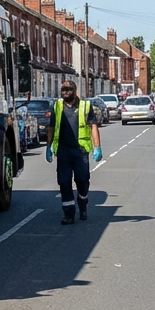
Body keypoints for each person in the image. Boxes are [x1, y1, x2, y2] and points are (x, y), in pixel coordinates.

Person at [45, 81, 103, 224]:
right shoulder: (57, 106)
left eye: (68, 89)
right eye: (63, 89)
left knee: (82, 181)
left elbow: (93, 126)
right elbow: (51, 127)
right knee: (64, 182)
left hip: (80, 151)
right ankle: (69, 214)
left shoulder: (85, 106)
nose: (65, 92)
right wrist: (48, 146)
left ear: (75, 90)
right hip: (63, 151)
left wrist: (97, 147)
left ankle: (82, 203)